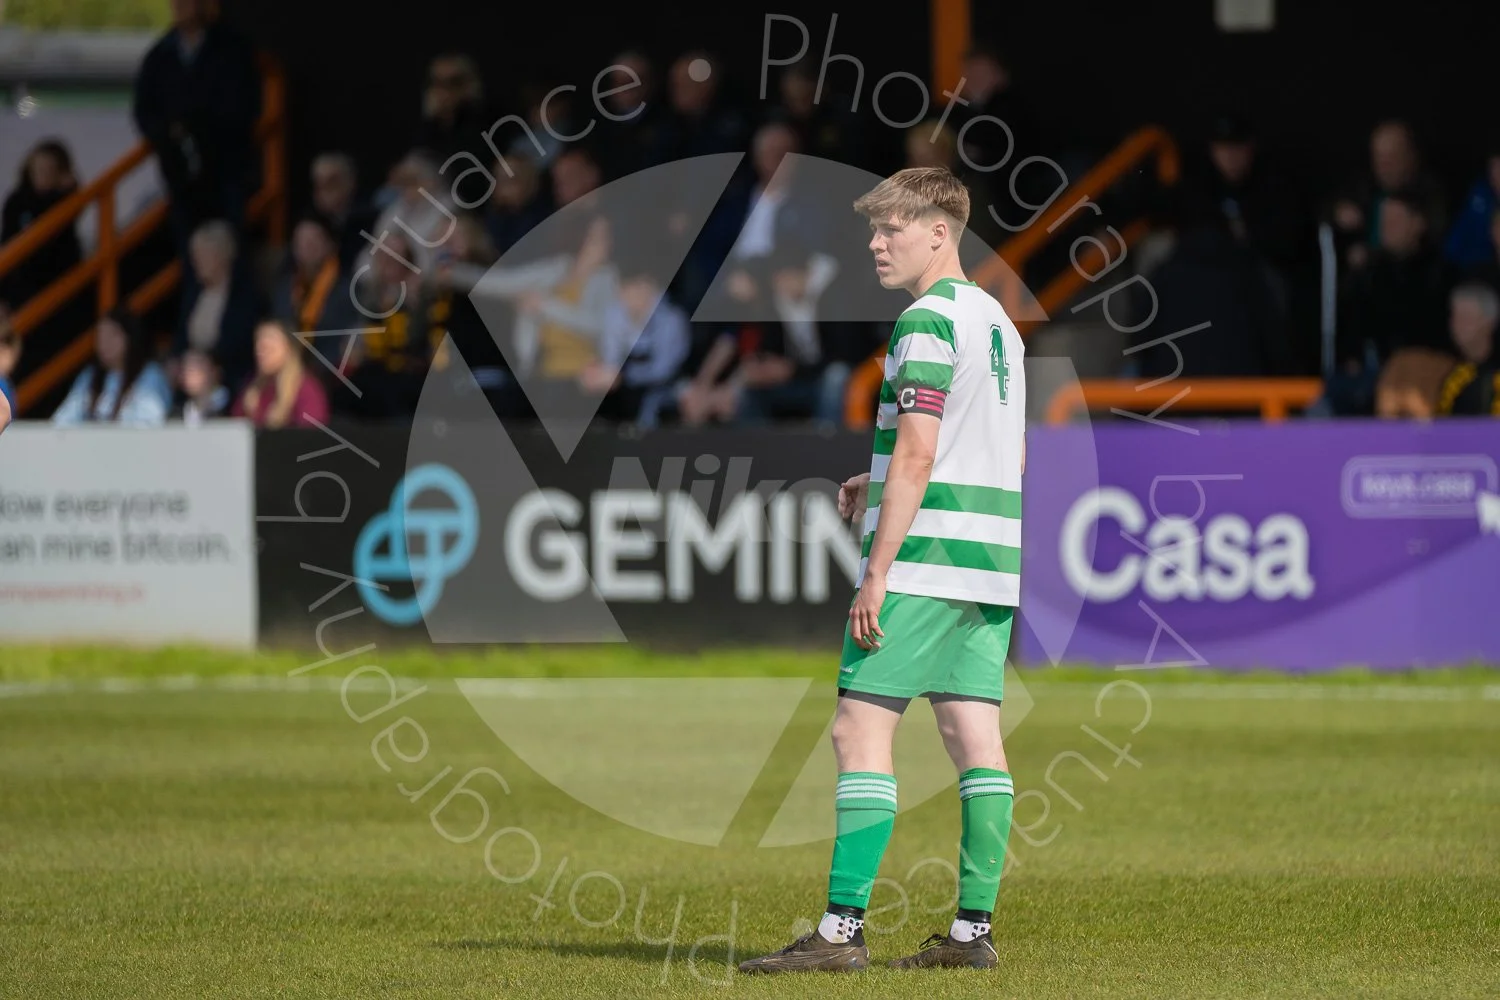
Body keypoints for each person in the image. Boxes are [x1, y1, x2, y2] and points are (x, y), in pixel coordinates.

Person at [738, 166, 1024, 975]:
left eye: (891, 227)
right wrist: (886, 475)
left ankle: (840, 933)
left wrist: (877, 573)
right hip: (990, 561)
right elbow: (1003, 447)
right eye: (874, 227)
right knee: (975, 736)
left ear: (941, 231)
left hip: (925, 563)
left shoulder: (924, 323)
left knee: (858, 729)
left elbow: (924, 447)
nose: (874, 241)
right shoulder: (999, 320)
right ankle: (972, 935)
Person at [52, 308, 171, 427]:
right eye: (100, 336)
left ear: (130, 337)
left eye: (112, 335)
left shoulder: (150, 375)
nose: (105, 342)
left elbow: (149, 424)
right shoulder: (89, 376)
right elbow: (63, 419)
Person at [232, 319, 330, 428]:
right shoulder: (252, 387)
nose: (261, 349)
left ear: (290, 348)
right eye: (258, 341)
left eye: (270, 340)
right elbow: (234, 430)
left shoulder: (306, 388)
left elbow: (311, 436)